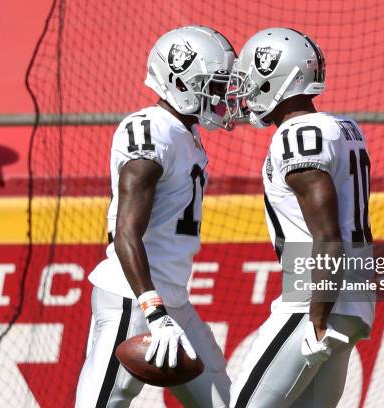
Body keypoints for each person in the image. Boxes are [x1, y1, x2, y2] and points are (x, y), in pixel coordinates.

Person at [75, 25, 235, 407]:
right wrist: (154, 311)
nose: (218, 95)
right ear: (179, 80)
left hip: (172, 298)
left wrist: (166, 307)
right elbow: (125, 232)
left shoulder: (184, 132)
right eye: (211, 85)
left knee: (227, 401)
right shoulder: (151, 130)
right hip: (136, 299)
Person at [227, 28, 375, 407]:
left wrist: (316, 315)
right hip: (354, 297)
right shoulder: (344, 128)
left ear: (277, 76)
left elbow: (327, 234)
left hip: (313, 295)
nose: (244, 90)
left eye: (250, 78)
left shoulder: (298, 135)